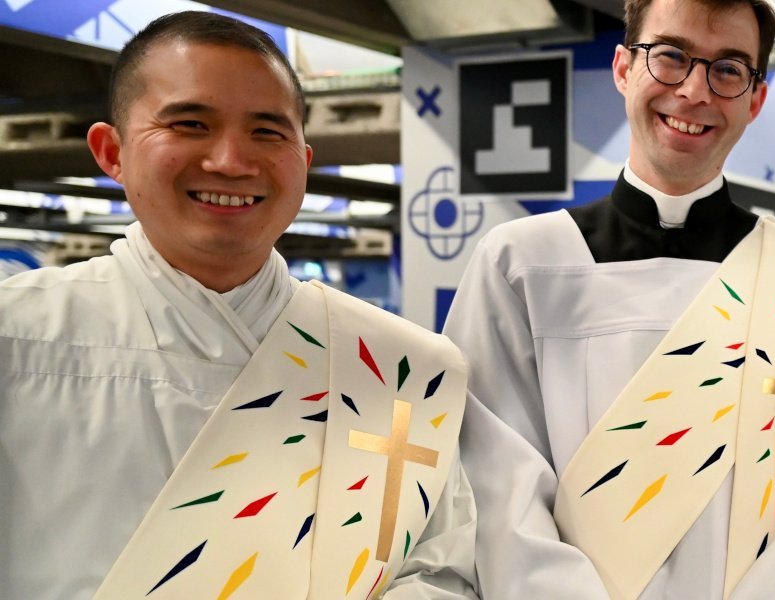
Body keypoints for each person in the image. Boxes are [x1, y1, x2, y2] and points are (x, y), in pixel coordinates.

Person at [0, 12, 477, 597]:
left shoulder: (401, 367)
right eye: (191, 123)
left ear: (303, 162)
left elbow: (443, 567)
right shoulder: (16, 333)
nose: (230, 160)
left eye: (267, 132)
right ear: (111, 151)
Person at [443, 0, 775, 597]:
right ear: (623, 69)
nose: (693, 91)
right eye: (669, 56)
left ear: (756, 99)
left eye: (729, 69)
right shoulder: (522, 266)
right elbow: (493, 486)